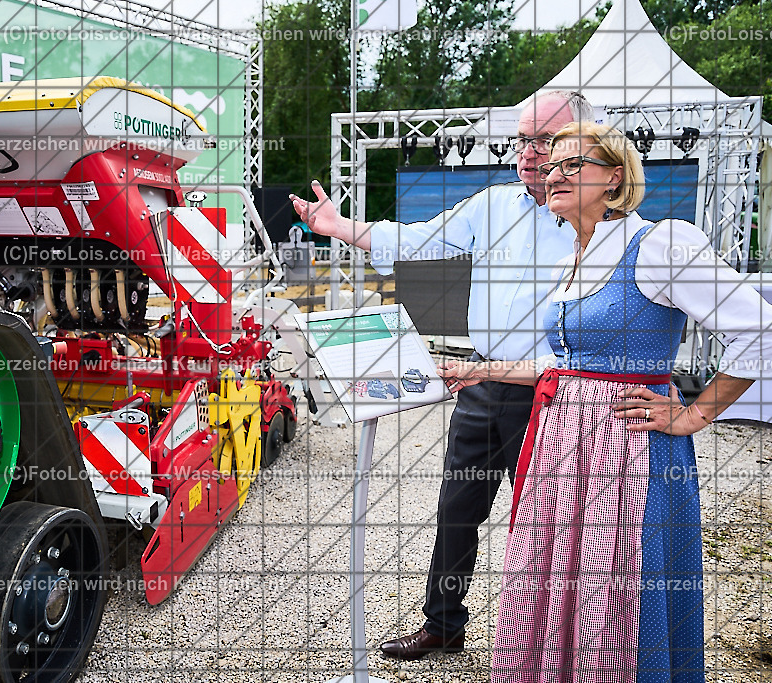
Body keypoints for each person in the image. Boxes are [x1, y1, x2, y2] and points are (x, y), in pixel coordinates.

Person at [438, 121, 771, 682]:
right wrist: (484, 370)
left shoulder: (661, 243)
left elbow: (759, 329)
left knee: (614, 591)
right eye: (550, 167)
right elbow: (571, 366)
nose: (555, 175)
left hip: (625, 451)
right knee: (556, 585)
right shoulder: (576, 253)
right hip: (563, 449)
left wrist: (694, 413)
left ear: (614, 178)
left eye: (573, 164)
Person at [290, 90, 595, 659]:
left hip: (553, 395)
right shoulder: (491, 206)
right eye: (524, 139)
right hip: (481, 386)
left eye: (546, 140)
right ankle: (443, 623)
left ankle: (550, 643)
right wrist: (338, 226)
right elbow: (416, 241)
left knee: (548, 528)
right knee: (457, 510)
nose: (531, 153)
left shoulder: (601, 223)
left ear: (584, 144)